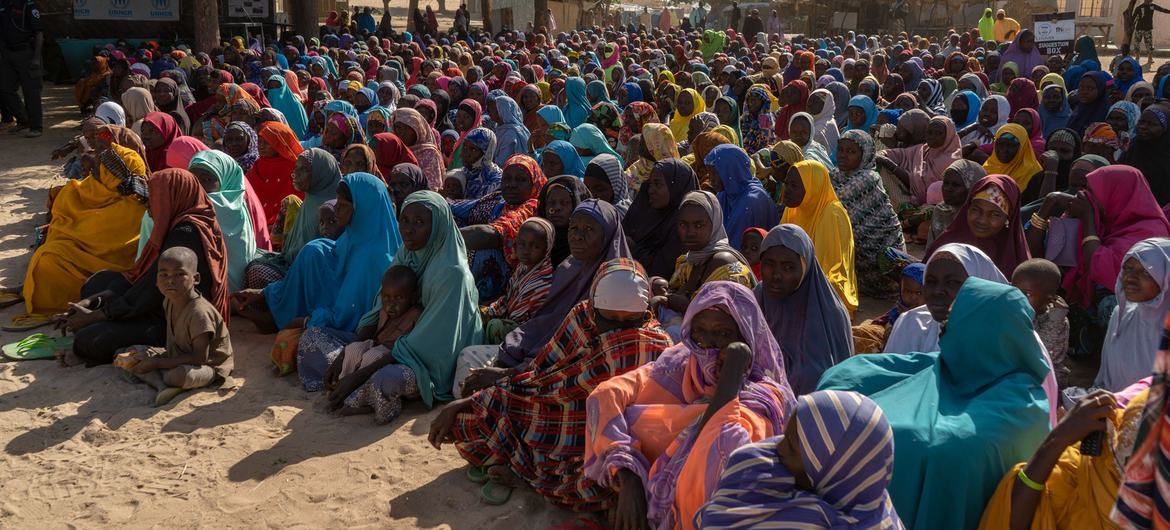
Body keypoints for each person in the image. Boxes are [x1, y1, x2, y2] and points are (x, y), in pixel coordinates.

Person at [428, 258, 672, 509]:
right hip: (549, 416)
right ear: (595, 310)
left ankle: (525, 478)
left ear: (645, 314)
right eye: (609, 320)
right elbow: (539, 378)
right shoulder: (581, 318)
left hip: (603, 443)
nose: (617, 332)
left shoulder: (656, 347)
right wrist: (466, 402)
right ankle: (529, 471)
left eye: (629, 321)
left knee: (606, 485)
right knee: (464, 424)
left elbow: (649, 425)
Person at [819, 278, 1050, 530]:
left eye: (955, 319)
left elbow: (951, 448)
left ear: (983, 329)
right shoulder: (956, 363)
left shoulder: (1023, 407)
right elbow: (848, 377)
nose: (943, 325)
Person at [584, 281, 795, 530]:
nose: (707, 343)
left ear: (746, 337)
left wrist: (733, 374)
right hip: (642, 491)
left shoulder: (764, 398)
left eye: (724, 334)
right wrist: (628, 474)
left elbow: (722, 444)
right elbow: (606, 395)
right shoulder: (678, 364)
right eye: (699, 330)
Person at [341, 191, 483, 424]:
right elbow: (380, 309)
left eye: (419, 223)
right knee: (321, 341)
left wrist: (358, 376)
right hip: (397, 342)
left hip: (432, 359)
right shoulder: (407, 254)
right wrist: (354, 349)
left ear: (437, 226)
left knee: (384, 379)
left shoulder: (451, 272)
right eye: (404, 220)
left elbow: (427, 343)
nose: (408, 229)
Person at [64, 169, 229, 366]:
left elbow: (150, 291)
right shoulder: (189, 219)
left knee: (88, 339)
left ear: (171, 198)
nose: (150, 206)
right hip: (162, 300)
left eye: (155, 199)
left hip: (176, 320)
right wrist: (92, 302)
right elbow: (145, 277)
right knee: (98, 282)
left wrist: (95, 316)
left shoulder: (185, 234)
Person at [697, 390, 902, 528]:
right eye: (785, 436)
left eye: (793, 448)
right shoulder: (761, 469)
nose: (779, 447)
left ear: (837, 470)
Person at [10, 127, 149, 331]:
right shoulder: (93, 186)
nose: (96, 169)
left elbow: (110, 248)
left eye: (104, 167)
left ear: (115, 173)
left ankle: (56, 302)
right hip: (73, 250)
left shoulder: (135, 209)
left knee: (48, 261)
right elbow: (69, 212)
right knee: (46, 255)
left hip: (100, 270)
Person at [115, 246, 233, 407]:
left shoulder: (199, 312)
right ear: (156, 280)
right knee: (127, 353)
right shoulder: (169, 300)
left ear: (196, 278)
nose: (170, 280)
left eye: (180, 274)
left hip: (208, 366)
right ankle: (162, 386)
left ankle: (162, 382)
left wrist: (156, 363)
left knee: (175, 376)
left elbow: (200, 358)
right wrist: (153, 358)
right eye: (164, 274)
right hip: (176, 355)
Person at [754, 224, 852, 395]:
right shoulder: (758, 297)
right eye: (769, 264)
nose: (776, 275)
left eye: (788, 267)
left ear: (806, 268)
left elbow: (839, 381)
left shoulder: (830, 313)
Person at [831, 130, 907, 296]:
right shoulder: (837, 175)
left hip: (880, 255)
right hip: (861, 255)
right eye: (841, 150)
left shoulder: (867, 178)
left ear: (865, 155)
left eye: (851, 152)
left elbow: (829, 199)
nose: (843, 155)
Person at [779, 160, 858, 314]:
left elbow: (832, 266)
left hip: (819, 277)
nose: (786, 191)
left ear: (812, 188)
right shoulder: (793, 209)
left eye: (794, 186)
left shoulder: (832, 213)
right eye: (786, 184)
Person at [1095, 238, 1170, 392]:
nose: (1129, 278)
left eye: (1145, 271)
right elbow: (1104, 380)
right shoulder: (1120, 315)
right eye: (1128, 269)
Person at [479, 218, 555, 343]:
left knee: (495, 326)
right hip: (511, 318)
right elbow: (508, 298)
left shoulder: (543, 280)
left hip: (526, 333)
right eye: (522, 244)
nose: (526, 251)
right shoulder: (522, 268)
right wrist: (490, 310)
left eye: (535, 246)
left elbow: (523, 319)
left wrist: (493, 315)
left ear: (547, 249)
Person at [623, 158, 700, 279]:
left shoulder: (684, 226)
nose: (651, 190)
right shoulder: (644, 211)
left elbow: (661, 270)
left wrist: (632, 248)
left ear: (677, 187)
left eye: (658, 184)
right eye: (650, 184)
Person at [705, 144, 778, 248]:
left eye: (715, 173)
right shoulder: (723, 195)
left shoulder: (751, 201)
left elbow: (737, 247)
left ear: (730, 170)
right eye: (709, 173)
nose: (710, 179)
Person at [1013, 258, 1071, 389]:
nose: (1018, 297)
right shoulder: (1012, 311)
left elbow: (1042, 354)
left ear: (1049, 297)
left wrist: (1055, 321)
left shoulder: (1058, 319)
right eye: (1014, 289)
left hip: (1046, 378)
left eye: (1027, 294)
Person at [0, 0, 43, 138]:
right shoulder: (3, 5)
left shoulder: (29, 6)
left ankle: (36, 126)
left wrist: (36, 58)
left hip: (27, 53)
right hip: (7, 53)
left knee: (31, 92)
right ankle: (23, 119)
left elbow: (39, 34)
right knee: (4, 89)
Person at [1132, 0, 1170, 64]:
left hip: (1147, 29)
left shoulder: (1152, 6)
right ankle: (1137, 58)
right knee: (1137, 43)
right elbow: (1133, 18)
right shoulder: (1139, 8)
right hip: (1139, 29)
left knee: (1148, 44)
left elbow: (1162, 9)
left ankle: (1149, 59)